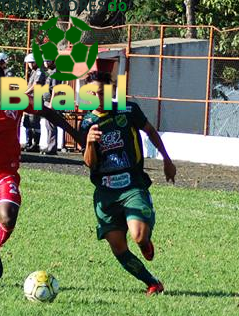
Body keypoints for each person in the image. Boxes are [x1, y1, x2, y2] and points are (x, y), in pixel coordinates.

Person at [0, 64, 84, 285]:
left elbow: (48, 111)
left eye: (0, 89)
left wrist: (76, 135)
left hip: (4, 173)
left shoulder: (15, 99)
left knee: (9, 216)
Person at [81, 71, 176, 296]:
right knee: (118, 247)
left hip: (132, 184)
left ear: (112, 90)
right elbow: (89, 163)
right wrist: (89, 143)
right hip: (105, 193)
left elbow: (151, 131)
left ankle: (146, 241)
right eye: (93, 93)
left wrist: (167, 160)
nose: (98, 97)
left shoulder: (128, 110)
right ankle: (152, 282)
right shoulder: (88, 121)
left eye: (102, 92)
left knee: (139, 236)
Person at [22, 53, 45, 152]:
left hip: (36, 99)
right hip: (30, 99)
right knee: (27, 122)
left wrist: (25, 93)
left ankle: (36, 144)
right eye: (29, 63)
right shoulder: (33, 72)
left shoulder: (40, 71)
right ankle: (29, 143)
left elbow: (36, 85)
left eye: (31, 63)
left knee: (34, 122)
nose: (30, 65)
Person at [41, 59, 59, 155]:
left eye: (48, 61)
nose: (46, 63)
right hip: (47, 101)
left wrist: (52, 103)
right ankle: (49, 145)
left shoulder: (55, 73)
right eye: (44, 61)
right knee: (48, 125)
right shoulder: (49, 72)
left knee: (51, 124)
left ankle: (52, 147)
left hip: (52, 102)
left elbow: (55, 89)